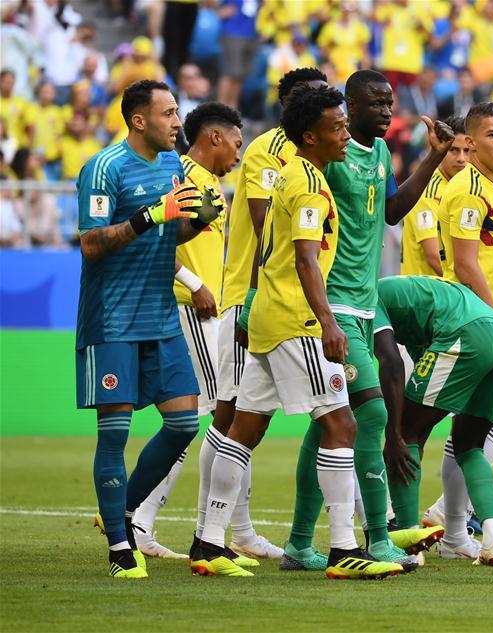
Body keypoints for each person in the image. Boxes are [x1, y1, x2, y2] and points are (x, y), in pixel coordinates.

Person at [193, 85, 402, 581]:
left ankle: (208, 540)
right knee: (341, 425)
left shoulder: (295, 174)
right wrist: (328, 322)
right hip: (296, 320)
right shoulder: (308, 184)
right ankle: (344, 550)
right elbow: (306, 259)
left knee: (245, 427)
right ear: (311, 137)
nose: (345, 133)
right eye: (337, 126)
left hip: (267, 313)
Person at [284, 69, 453, 570]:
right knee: (369, 415)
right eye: (376, 103)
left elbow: (394, 211)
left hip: (367, 298)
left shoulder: (379, 154)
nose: (386, 111)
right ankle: (378, 538)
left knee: (332, 420)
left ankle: (298, 543)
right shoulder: (327, 160)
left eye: (391, 103)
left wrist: (433, 158)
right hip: (333, 302)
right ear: (349, 110)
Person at [78, 79, 223, 578]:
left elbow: (172, 229)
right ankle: (121, 548)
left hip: (160, 316)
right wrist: (147, 216)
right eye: (168, 113)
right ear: (139, 120)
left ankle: (117, 512)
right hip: (112, 319)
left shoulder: (171, 165)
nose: (178, 121)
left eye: (178, 111)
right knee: (114, 435)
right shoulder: (103, 168)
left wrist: (198, 220)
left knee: (184, 423)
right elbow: (92, 244)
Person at [210, 68, 328, 573]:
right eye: (306, 98)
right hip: (253, 295)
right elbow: (267, 230)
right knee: (227, 416)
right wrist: (258, 294)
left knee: (244, 422)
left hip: (284, 299)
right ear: (288, 107)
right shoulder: (265, 151)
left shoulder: (317, 161)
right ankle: (163, 523)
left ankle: (226, 535)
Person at [128, 102, 246, 560]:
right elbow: (154, 238)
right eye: (236, 142)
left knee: (206, 417)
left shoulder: (209, 183)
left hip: (208, 308)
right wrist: (195, 283)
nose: (239, 151)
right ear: (215, 137)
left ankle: (150, 521)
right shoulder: (181, 176)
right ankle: (148, 520)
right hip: (191, 309)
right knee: (217, 415)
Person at [423, 101, 493, 553]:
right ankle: (433, 524)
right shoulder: (468, 190)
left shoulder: (489, 190)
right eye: (492, 135)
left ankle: (451, 526)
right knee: (426, 427)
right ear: (469, 140)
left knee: (485, 421)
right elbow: (465, 265)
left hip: (478, 319)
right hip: (465, 320)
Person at [377, 275, 493, 565]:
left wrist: (396, 433)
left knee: (405, 434)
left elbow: (390, 361)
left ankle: (408, 541)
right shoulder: (413, 297)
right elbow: (422, 369)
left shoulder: (369, 298)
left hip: (466, 334)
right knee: (469, 446)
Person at [400, 115, 468, 277]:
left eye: (467, 151)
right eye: (453, 150)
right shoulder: (428, 190)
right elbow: (433, 256)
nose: (461, 159)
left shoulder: (459, 187)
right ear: (443, 148)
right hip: (423, 295)